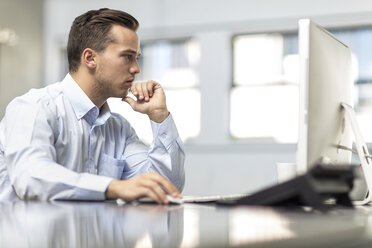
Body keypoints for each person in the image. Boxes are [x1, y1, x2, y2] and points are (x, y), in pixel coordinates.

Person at [0, 8, 185, 204]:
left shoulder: (119, 129)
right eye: (127, 57)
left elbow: (165, 188)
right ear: (90, 58)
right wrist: (113, 187)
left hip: (90, 234)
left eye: (136, 58)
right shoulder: (34, 108)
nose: (136, 69)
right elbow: (32, 178)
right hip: (27, 233)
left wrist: (159, 116)